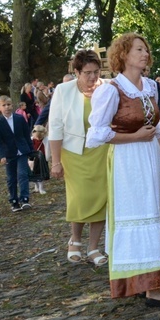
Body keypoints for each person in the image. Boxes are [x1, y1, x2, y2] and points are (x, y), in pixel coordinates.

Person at [86, 33, 160, 307]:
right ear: (124, 54)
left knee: (150, 217)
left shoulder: (150, 86)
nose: (145, 54)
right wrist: (135, 137)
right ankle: (149, 287)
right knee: (136, 217)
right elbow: (97, 135)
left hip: (149, 156)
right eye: (139, 49)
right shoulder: (111, 89)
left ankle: (146, 283)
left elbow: (156, 128)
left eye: (146, 49)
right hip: (126, 161)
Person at [49, 53, 109, 266]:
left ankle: (94, 246)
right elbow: (55, 126)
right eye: (87, 73)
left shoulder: (108, 87)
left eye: (96, 72)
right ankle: (75, 240)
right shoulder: (63, 90)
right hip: (74, 152)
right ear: (76, 72)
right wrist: (56, 161)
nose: (93, 77)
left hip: (102, 151)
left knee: (102, 197)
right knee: (80, 198)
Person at [0, 95, 34, 212]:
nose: (7, 107)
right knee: (11, 178)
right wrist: (1, 155)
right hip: (9, 153)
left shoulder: (19, 118)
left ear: (12, 105)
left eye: (9, 104)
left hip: (22, 151)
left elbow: (26, 135)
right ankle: (14, 201)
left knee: (22, 174)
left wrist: (31, 150)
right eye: (4, 105)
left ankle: (25, 199)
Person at [30, 125, 48, 195]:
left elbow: (48, 150)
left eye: (40, 137)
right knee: (33, 173)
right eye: (36, 137)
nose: (38, 139)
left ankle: (41, 187)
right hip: (33, 158)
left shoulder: (46, 139)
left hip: (42, 159)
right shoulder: (32, 139)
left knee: (40, 174)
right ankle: (36, 186)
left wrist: (47, 158)